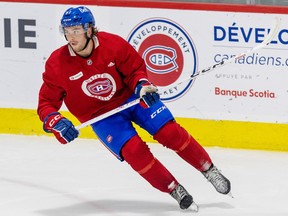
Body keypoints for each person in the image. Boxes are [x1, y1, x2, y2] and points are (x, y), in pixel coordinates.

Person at [37, 6, 231, 211]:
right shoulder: (56, 64)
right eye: (67, 31)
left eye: (75, 30)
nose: (71, 36)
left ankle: (208, 169)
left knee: (171, 133)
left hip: (131, 99)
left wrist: (142, 86)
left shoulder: (113, 45)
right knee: (134, 151)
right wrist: (55, 121)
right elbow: (46, 104)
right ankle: (174, 189)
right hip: (101, 117)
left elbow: (135, 70)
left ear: (90, 29)